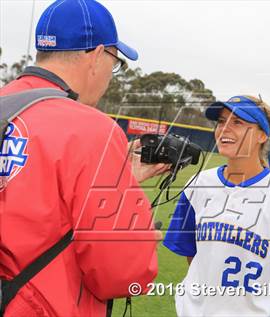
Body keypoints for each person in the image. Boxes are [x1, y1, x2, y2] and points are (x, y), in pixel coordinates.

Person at [0, 0, 169, 316]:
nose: (110, 74)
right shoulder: (92, 130)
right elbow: (121, 274)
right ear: (96, 55)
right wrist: (140, 236)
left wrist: (120, 178)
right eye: (115, 62)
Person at [163, 95, 270, 316]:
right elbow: (193, 254)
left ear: (262, 135)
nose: (224, 129)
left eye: (237, 123)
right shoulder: (197, 185)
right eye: (221, 122)